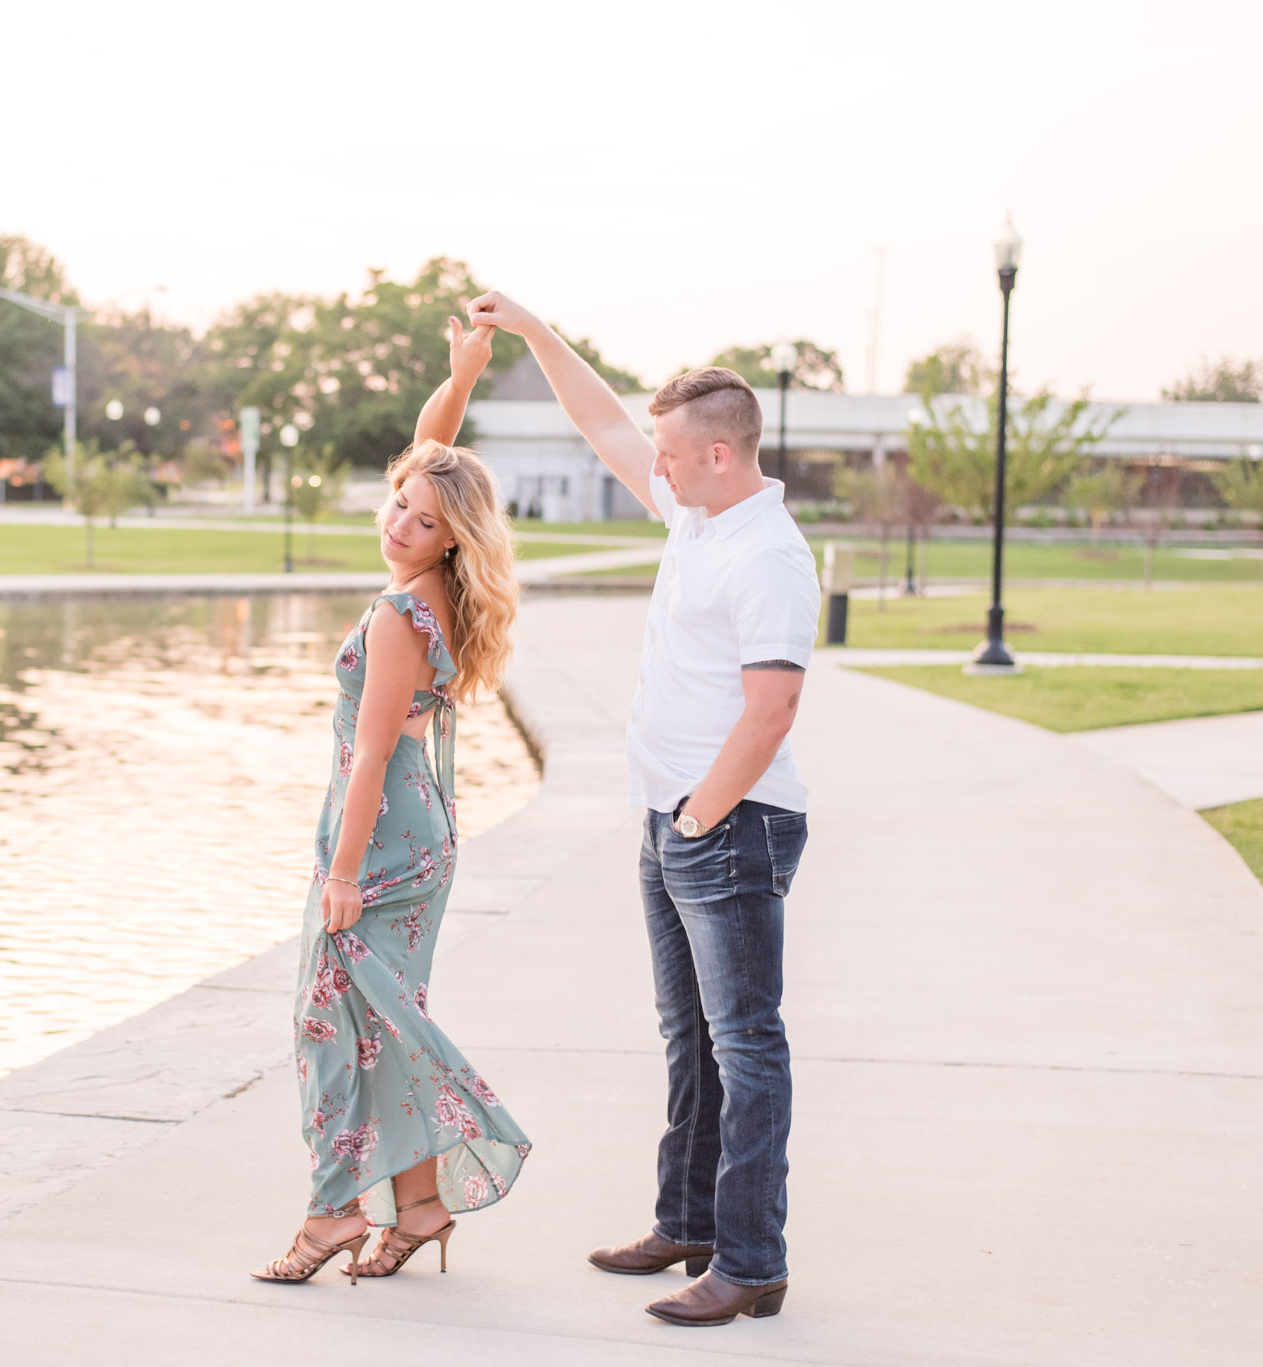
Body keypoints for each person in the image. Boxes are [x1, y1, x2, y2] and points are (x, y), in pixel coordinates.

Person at [466, 291, 819, 1327]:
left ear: (716, 455)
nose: (649, 466)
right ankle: (686, 1221)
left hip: (730, 823)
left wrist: (702, 816)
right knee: (688, 1038)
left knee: (744, 1043)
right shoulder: (696, 514)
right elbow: (605, 422)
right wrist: (532, 331)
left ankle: (750, 1261)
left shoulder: (766, 554)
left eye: (668, 453)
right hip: (675, 820)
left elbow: (772, 708)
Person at [254, 319, 532, 1284]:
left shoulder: (397, 612)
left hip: (379, 836)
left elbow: (368, 755)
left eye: (420, 518)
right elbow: (432, 460)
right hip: (423, 830)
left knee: (326, 1023)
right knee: (382, 1019)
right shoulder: (444, 588)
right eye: (397, 506)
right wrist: (457, 381)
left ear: (451, 534)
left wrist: (339, 873)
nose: (398, 523)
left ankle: (333, 1210)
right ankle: (416, 1203)